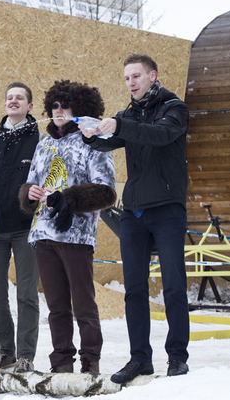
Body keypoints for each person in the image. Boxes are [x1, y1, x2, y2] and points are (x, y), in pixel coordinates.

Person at [81, 53, 190, 383]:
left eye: (137, 76)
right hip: (135, 213)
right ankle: (140, 358)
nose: (131, 83)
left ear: (153, 76)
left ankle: (177, 356)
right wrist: (92, 133)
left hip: (168, 209)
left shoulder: (174, 107)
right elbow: (108, 141)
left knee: (173, 286)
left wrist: (121, 125)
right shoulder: (127, 114)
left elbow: (159, 135)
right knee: (135, 290)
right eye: (127, 78)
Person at [19, 80, 116, 374]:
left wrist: (69, 199)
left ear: (80, 109)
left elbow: (106, 191)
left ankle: (90, 361)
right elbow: (30, 183)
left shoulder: (93, 140)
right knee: (56, 306)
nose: (58, 110)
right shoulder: (44, 143)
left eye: (65, 105)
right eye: (55, 106)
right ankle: (61, 362)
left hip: (76, 234)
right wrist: (28, 194)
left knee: (83, 304)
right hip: (43, 234)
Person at [0, 82, 40, 372]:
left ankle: (26, 355)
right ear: (5, 104)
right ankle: (5, 351)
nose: (13, 101)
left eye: (20, 98)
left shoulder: (40, 140)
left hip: (27, 228)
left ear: (30, 106)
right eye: (9, 98)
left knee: (26, 293)